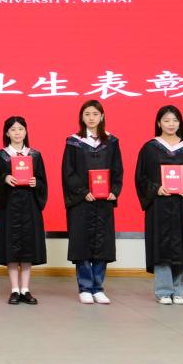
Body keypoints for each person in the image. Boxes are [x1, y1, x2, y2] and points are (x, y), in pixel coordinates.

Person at [135, 104, 183, 305]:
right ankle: (164, 291)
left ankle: (178, 290)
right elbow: (141, 177)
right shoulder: (150, 148)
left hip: (182, 205)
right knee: (161, 246)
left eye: (174, 120)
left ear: (180, 123)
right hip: (159, 206)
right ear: (159, 123)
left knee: (181, 245)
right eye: (166, 120)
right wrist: (156, 189)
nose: (171, 124)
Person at [62, 99, 123, 305]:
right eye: (87, 114)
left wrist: (114, 191)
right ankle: (85, 287)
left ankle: (98, 287)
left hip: (104, 202)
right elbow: (68, 172)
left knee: (102, 245)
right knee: (82, 244)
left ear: (102, 116)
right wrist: (83, 192)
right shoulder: (74, 142)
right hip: (82, 202)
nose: (91, 118)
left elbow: (117, 169)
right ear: (81, 117)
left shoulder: (111, 142)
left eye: (95, 114)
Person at [0, 115, 48, 305]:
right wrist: (4, 178)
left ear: (26, 131)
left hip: (30, 207)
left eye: (21, 129)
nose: (17, 133)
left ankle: (25, 289)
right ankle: (14, 289)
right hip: (10, 207)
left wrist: (36, 182)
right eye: (13, 129)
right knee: (11, 247)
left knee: (27, 247)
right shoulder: (0, 156)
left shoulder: (35, 155)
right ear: (7, 133)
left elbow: (43, 181)